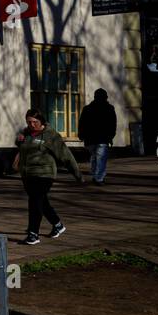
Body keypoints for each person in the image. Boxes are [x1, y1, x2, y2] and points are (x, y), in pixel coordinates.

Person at [14, 108, 82, 245]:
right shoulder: (26, 133)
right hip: (28, 174)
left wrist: (78, 175)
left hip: (45, 174)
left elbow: (66, 156)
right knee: (41, 203)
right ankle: (58, 225)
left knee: (34, 202)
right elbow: (23, 149)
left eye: (35, 122)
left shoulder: (51, 136)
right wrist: (19, 141)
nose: (32, 124)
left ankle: (33, 234)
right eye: (29, 122)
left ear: (41, 121)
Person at [77, 88, 117, 185]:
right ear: (105, 97)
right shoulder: (109, 108)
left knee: (96, 156)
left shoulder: (87, 109)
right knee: (100, 158)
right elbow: (113, 124)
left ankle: (96, 175)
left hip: (90, 138)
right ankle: (98, 178)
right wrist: (111, 136)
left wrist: (81, 135)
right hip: (102, 138)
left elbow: (82, 123)